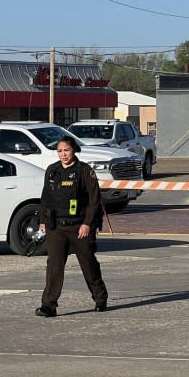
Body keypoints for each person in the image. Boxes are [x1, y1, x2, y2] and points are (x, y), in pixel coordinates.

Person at [35, 135, 109, 317]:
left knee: (88, 264)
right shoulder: (52, 171)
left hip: (79, 227)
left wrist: (87, 224)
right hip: (56, 227)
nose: (63, 154)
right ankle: (48, 305)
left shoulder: (84, 171)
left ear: (74, 150)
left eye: (66, 150)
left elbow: (94, 201)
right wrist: (43, 221)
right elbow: (46, 198)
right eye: (60, 151)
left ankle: (100, 298)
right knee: (54, 266)